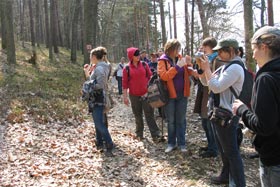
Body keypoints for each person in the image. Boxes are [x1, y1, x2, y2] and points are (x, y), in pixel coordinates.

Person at [233, 26, 280, 187]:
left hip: (274, 158)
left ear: (264, 47)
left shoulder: (266, 79)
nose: (252, 54)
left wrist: (242, 110)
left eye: (254, 49)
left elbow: (263, 126)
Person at [199, 38, 246, 186]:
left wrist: (207, 69)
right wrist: (202, 70)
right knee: (224, 150)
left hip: (227, 115)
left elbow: (216, 87)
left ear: (231, 50)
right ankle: (226, 176)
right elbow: (207, 82)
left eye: (221, 50)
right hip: (219, 113)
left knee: (232, 153)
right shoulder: (227, 66)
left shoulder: (236, 68)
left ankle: (238, 183)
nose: (217, 53)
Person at [157, 39, 197, 153]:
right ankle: (171, 143)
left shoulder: (180, 58)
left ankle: (182, 143)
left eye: (179, 49)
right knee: (171, 120)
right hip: (169, 95)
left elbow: (187, 71)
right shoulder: (162, 61)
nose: (178, 51)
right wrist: (176, 67)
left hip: (182, 93)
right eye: (176, 49)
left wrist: (190, 67)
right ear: (170, 49)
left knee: (181, 119)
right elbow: (164, 76)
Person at [122, 47, 161, 142]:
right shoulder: (126, 68)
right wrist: (125, 97)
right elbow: (124, 84)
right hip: (134, 95)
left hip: (146, 94)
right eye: (136, 55)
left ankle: (155, 134)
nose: (138, 56)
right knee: (137, 115)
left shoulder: (144, 65)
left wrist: (151, 88)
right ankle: (139, 134)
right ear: (131, 56)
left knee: (149, 114)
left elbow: (150, 76)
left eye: (138, 54)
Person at [83, 46, 114, 157]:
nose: (90, 58)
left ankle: (109, 142)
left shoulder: (100, 69)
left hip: (98, 98)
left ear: (94, 56)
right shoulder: (101, 67)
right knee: (98, 121)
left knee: (98, 122)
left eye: (91, 56)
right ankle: (99, 141)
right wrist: (88, 73)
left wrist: (88, 83)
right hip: (98, 98)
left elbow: (99, 85)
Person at [193, 37, 218, 158]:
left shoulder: (217, 60)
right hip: (204, 93)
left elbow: (210, 81)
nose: (204, 52)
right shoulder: (206, 60)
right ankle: (210, 144)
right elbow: (203, 80)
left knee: (209, 122)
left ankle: (214, 148)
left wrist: (203, 71)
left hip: (212, 95)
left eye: (205, 49)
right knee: (204, 121)